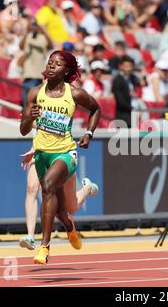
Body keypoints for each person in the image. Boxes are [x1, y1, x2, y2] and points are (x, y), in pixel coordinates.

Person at [20, 50, 101, 264]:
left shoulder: (74, 94)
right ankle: (69, 225)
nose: (52, 66)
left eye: (57, 64)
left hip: (65, 152)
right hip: (42, 154)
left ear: (66, 70)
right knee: (60, 211)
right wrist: (29, 117)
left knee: (47, 187)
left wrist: (88, 133)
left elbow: (96, 109)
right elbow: (23, 129)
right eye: (49, 63)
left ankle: (44, 247)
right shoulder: (34, 93)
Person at [18, 147, 99, 250]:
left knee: (71, 207)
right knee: (31, 188)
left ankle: (87, 187)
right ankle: (30, 236)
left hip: (62, 153)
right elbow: (38, 130)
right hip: (40, 150)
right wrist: (34, 148)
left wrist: (89, 133)